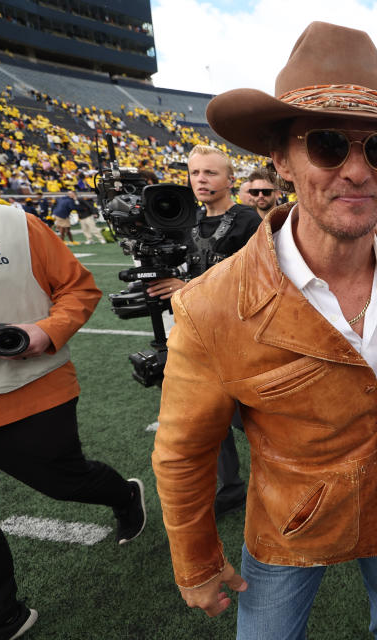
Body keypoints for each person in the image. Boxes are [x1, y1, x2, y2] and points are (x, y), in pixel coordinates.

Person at [152, 21, 377, 639]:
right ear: (280, 159)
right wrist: (197, 559)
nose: (359, 171)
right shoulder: (213, 305)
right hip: (289, 525)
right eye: (330, 144)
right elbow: (183, 452)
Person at [0, 201, 146, 640]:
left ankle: (125, 495)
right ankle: (2, 617)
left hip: (28, 390)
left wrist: (46, 331)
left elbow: (79, 289)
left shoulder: (13, 222)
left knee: (63, 481)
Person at [146, 145, 262, 519]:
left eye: (210, 173)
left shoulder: (248, 221)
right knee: (210, 422)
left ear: (230, 180)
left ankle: (278, 478)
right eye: (195, 173)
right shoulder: (184, 220)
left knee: (255, 419)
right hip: (193, 336)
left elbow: (259, 283)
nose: (201, 180)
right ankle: (231, 488)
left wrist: (189, 288)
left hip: (238, 337)